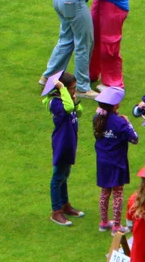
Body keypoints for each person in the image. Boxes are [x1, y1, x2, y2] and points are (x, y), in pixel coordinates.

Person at [94, 86, 140, 234]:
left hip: (102, 161)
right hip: (117, 162)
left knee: (104, 192)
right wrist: (128, 123)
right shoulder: (120, 122)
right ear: (115, 104)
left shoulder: (97, 118)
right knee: (118, 193)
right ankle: (116, 227)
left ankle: (103, 222)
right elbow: (134, 139)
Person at [45, 71, 86, 226]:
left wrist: (75, 100)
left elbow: (79, 112)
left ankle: (65, 204)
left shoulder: (68, 99)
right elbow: (68, 109)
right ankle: (56, 211)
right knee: (58, 176)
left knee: (65, 174)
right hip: (62, 142)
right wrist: (63, 91)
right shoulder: (55, 102)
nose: (74, 91)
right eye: (72, 88)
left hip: (70, 141)